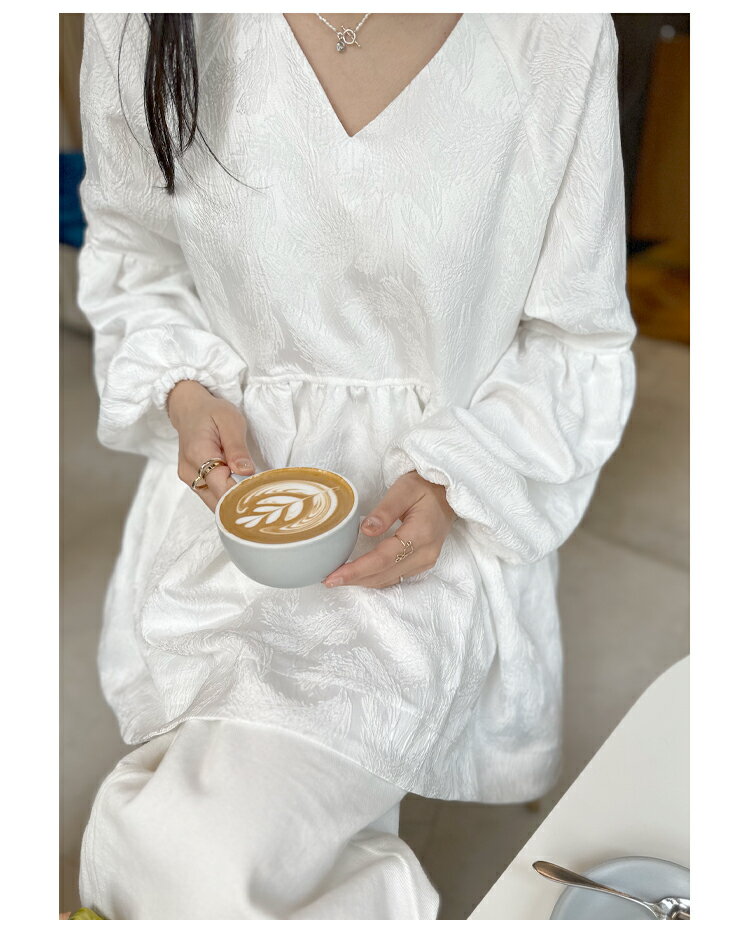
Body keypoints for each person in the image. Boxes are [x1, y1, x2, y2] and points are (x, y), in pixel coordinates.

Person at [71, 11, 637, 919]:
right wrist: (183, 391)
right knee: (209, 826)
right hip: (226, 496)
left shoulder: (553, 31)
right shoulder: (143, 22)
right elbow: (133, 251)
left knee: (196, 854)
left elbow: (578, 337)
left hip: (428, 515)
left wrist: (458, 476)